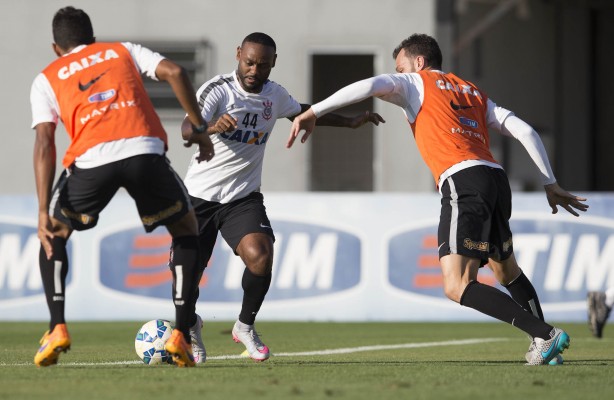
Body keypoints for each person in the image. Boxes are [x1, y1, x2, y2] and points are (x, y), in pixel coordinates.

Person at [288, 33, 589, 365]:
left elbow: (371, 85)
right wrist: (550, 181)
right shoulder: (473, 92)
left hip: (463, 179)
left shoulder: (415, 83)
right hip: (495, 179)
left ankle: (546, 335)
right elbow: (524, 130)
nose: (397, 74)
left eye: (400, 66)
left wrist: (314, 110)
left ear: (418, 62)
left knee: (457, 285)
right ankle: (545, 345)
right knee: (508, 272)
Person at [176, 32, 384, 363]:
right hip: (199, 199)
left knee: (260, 256)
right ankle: (190, 326)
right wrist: (212, 126)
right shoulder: (217, 90)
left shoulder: (275, 96)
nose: (254, 70)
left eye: (262, 64)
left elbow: (304, 112)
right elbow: (187, 130)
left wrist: (350, 122)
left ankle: (244, 326)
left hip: (241, 198)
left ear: (273, 62)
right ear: (238, 54)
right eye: (248, 62)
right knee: (184, 280)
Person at [30, 6, 214, 367]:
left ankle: (57, 328)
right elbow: (175, 71)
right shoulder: (122, 49)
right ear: (93, 39)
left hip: (90, 160)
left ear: (56, 48)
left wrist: (41, 211)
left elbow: (44, 141)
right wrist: (200, 128)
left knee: (53, 233)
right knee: (185, 228)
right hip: (143, 151)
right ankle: (180, 334)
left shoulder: (46, 77)